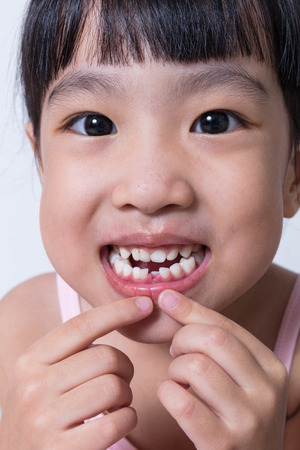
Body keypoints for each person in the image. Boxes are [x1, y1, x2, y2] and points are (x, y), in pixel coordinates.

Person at [0, 0, 299, 448]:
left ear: (293, 172)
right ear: (42, 161)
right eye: (94, 124)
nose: (149, 189)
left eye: (214, 123)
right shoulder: (19, 332)